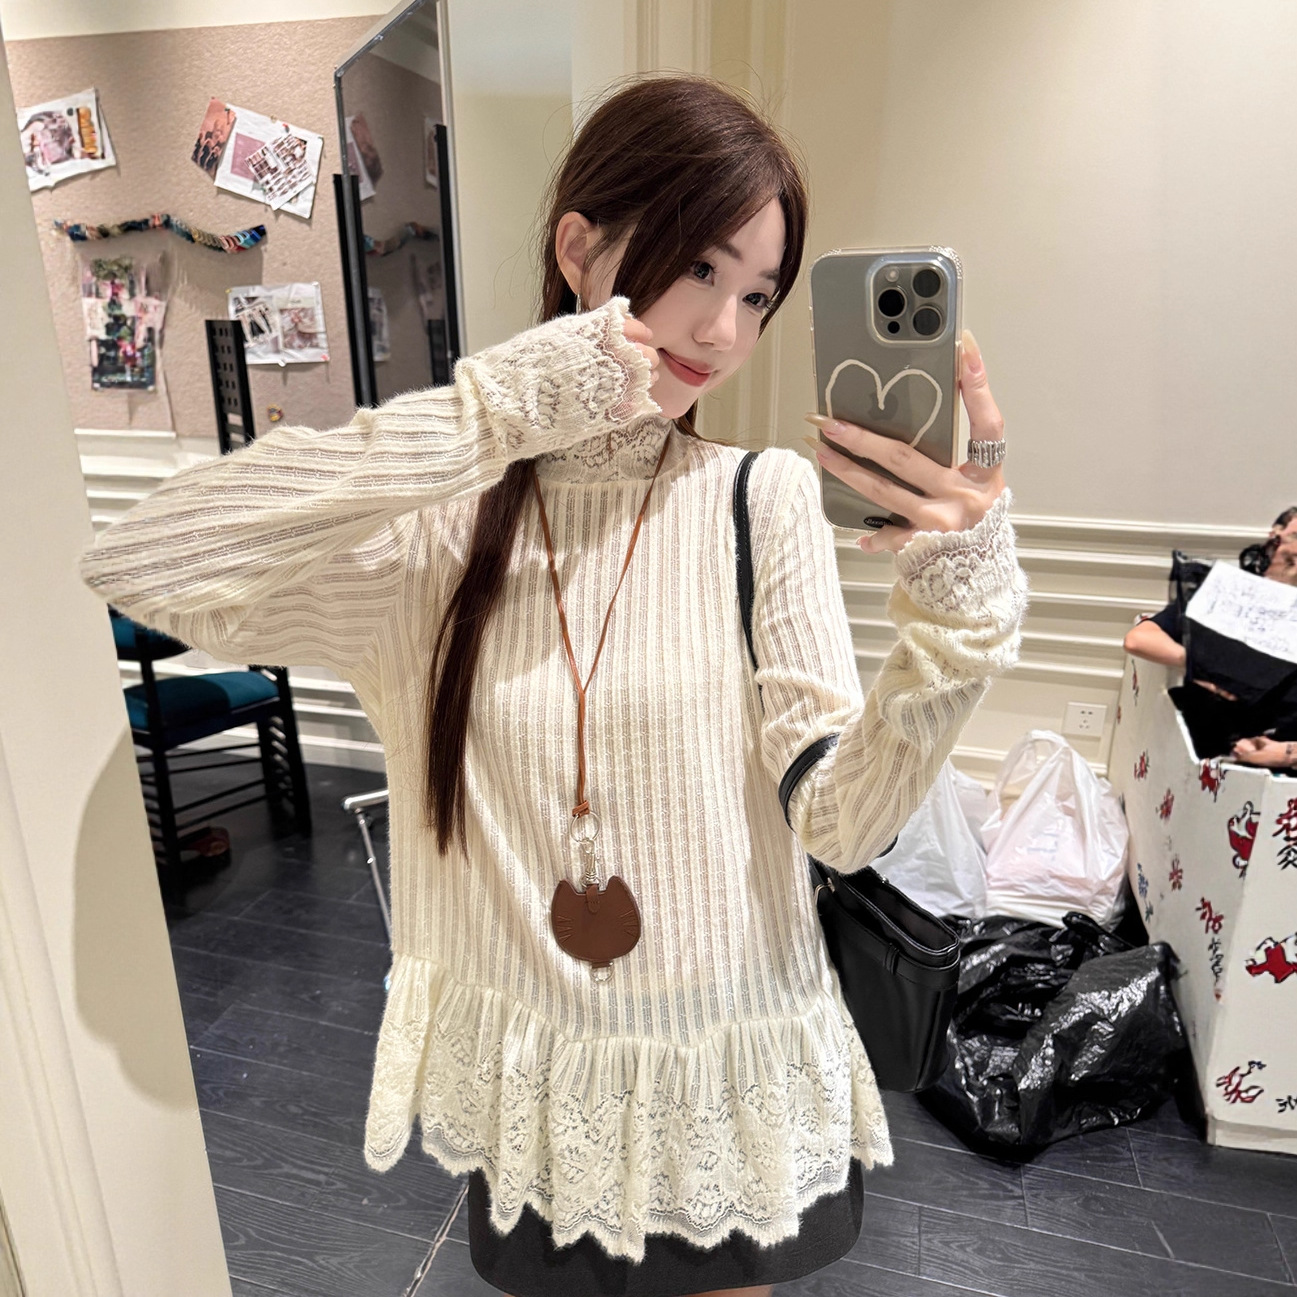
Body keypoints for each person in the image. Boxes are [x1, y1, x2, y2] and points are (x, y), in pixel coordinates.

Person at [81, 76, 1025, 1297]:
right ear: (579, 248)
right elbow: (141, 560)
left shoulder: (761, 500)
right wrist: (495, 413)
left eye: (757, 294)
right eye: (700, 267)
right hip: (540, 1092)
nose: (722, 330)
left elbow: (841, 823)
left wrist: (953, 621)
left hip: (722, 1074)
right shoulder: (438, 532)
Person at [1124, 506, 1297, 769]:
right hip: (1215, 755)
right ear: (1274, 538)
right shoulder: (1225, 594)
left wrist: (1287, 754)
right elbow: (1139, 639)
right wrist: (1201, 666)